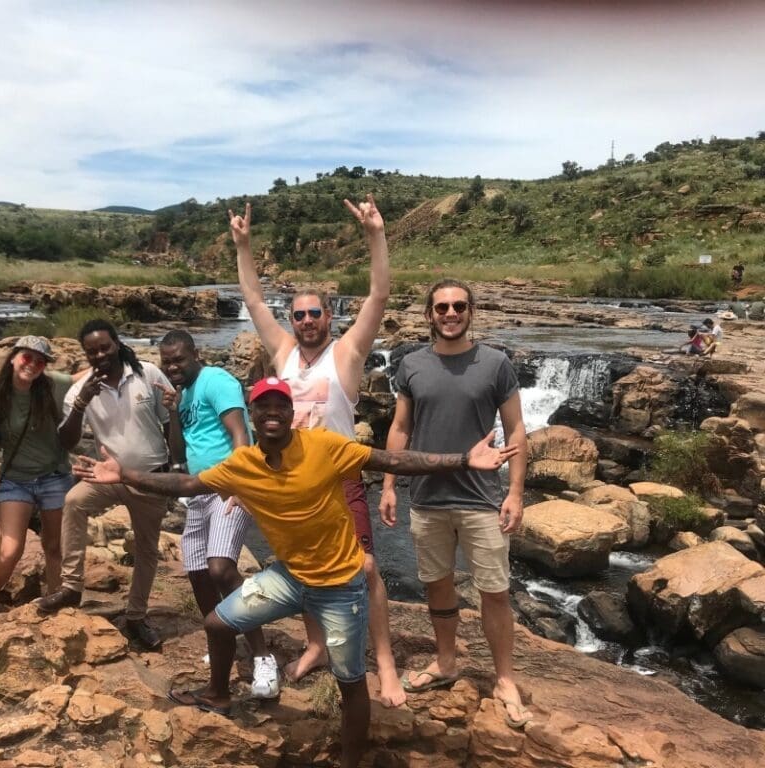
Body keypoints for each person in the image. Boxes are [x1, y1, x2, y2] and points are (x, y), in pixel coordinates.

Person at [75, 377, 518, 768]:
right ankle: (219, 695)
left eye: (279, 406)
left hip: (342, 587)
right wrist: (125, 474)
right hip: (289, 578)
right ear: (251, 415)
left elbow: (390, 461)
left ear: (291, 414)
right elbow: (187, 485)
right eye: (262, 406)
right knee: (216, 622)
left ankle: (349, 761)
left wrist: (462, 460)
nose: (271, 413)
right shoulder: (242, 464)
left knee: (349, 684)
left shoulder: (323, 446)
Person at [230, 195, 407, 707]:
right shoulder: (283, 352)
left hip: (338, 477)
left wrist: (376, 235)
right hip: (285, 477)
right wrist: (244, 247)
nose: (306, 320)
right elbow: (254, 302)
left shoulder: (346, 354)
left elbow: (378, 294)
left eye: (314, 313)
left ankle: (386, 663)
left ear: (329, 316)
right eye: (299, 314)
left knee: (367, 568)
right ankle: (317, 644)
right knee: (301, 564)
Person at [380, 278, 532, 729]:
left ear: (471, 311)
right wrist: (389, 485)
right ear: (429, 314)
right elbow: (400, 429)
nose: (450, 313)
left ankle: (504, 678)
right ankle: (446, 661)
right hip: (426, 498)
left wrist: (516, 492)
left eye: (459, 306)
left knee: (495, 590)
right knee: (437, 585)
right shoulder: (411, 365)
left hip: (481, 499)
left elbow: (517, 429)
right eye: (442, 307)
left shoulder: (496, 363)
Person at [157, 329, 279, 698]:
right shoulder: (184, 394)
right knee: (198, 574)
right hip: (198, 492)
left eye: (179, 359)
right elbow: (178, 452)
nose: (173, 367)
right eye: (167, 362)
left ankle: (261, 655)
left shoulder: (216, 380)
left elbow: (240, 434)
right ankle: (223, 640)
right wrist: (173, 411)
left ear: (195, 354)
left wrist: (241, 484)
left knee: (221, 568)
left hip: (230, 488)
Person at [36, 319, 171, 651]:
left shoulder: (148, 374)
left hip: (149, 476)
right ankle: (71, 586)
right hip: (107, 474)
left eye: (104, 347)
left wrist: (174, 471)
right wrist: (82, 403)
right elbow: (66, 442)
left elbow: (169, 423)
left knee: (146, 549)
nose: (99, 355)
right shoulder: (79, 392)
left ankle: (136, 616)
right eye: (91, 351)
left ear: (117, 344)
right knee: (74, 502)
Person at [0, 335, 76, 612]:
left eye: (40, 361)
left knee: (54, 547)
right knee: (9, 550)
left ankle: (55, 602)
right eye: (27, 357)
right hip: (15, 480)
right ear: (13, 358)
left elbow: (83, 377)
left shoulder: (53, 384)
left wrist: (121, 358)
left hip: (55, 477)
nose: (32, 365)